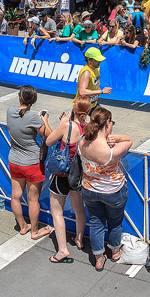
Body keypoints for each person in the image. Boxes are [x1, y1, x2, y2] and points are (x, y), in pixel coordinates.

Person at [79, 107, 133, 271]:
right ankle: (115, 252)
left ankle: (98, 257)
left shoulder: (82, 141)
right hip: (113, 191)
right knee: (115, 223)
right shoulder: (110, 151)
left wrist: (107, 137)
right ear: (107, 124)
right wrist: (115, 137)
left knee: (96, 223)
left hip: (89, 189)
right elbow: (129, 140)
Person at [44, 95, 91, 263]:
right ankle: (79, 239)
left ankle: (62, 250)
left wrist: (62, 122)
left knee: (57, 212)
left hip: (62, 174)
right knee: (79, 209)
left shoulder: (66, 126)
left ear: (74, 109)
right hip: (78, 174)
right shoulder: (89, 128)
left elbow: (49, 141)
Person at [7, 85, 53, 239]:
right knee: (33, 200)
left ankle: (22, 226)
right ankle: (34, 231)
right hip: (32, 163)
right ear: (33, 100)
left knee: (15, 196)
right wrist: (44, 120)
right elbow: (51, 136)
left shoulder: (10, 111)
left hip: (14, 160)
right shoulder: (33, 117)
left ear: (20, 97)